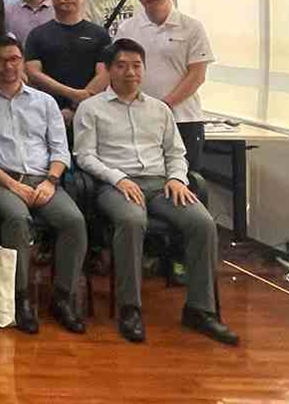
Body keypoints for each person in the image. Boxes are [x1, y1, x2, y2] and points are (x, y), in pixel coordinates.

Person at [74, 39, 237, 346]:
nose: (130, 72)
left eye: (137, 66)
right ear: (108, 70)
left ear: (144, 70)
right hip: (115, 186)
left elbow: (176, 153)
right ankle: (130, 308)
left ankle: (200, 309)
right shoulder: (91, 108)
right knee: (132, 221)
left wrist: (177, 179)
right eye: (122, 66)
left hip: (161, 185)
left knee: (202, 223)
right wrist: (119, 178)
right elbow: (84, 156)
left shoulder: (160, 109)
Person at [0, 35, 86, 335]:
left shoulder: (45, 102)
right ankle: (20, 298)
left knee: (73, 221)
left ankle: (63, 297)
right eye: (0, 60)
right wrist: (12, 185)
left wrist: (51, 181)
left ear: (23, 63)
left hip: (45, 180)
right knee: (17, 219)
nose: (8, 66)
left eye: (14, 59)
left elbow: (60, 149)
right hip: (1, 181)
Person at [114, 0, 214, 170]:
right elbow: (119, 73)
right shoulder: (127, 28)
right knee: (144, 176)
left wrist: (163, 106)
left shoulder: (192, 27)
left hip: (183, 119)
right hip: (138, 118)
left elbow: (197, 75)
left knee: (185, 178)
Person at [24, 0, 110, 124]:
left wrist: (76, 106)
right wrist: (73, 95)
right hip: (47, 113)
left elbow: (104, 73)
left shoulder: (99, 34)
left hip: (91, 112)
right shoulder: (37, 35)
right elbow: (33, 73)